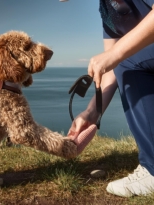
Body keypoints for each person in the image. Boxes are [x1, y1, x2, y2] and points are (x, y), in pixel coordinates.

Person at [67, 0, 154, 197]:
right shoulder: (107, 10)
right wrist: (92, 112)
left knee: (125, 60)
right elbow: (111, 68)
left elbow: (118, 57)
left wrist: (116, 54)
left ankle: (153, 169)